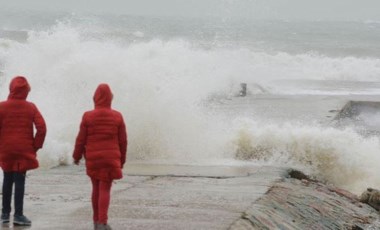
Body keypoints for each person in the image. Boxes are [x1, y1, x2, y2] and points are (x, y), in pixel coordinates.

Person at [73, 83, 127, 230]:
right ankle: (102, 222)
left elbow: (81, 139)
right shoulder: (117, 116)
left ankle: (96, 221)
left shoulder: (88, 116)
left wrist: (76, 156)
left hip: (93, 159)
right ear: (110, 98)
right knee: (104, 189)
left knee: (95, 188)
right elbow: (123, 141)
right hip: (110, 159)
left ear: (95, 98)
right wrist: (121, 160)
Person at [0, 76, 47, 226]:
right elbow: (42, 128)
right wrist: (35, 146)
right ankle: (19, 215)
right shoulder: (31, 107)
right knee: (19, 180)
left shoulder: (1, 106)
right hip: (24, 150)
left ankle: (4, 214)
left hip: (6, 149)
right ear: (26, 91)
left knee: (7, 179)